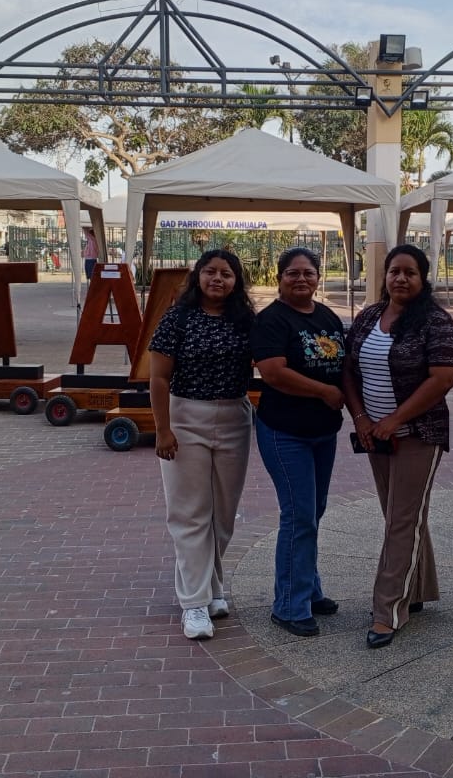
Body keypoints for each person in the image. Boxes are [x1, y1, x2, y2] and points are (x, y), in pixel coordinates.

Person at [342, 244, 453, 648]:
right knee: (401, 516)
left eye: (410, 272)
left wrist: (395, 419)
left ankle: (388, 611)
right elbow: (348, 369)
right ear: (385, 275)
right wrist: (361, 418)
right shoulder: (369, 316)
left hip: (418, 435)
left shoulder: (435, 321)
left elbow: (443, 378)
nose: (401, 278)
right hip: (376, 436)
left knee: (400, 520)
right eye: (395, 271)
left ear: (423, 278)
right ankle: (418, 589)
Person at [148, 249, 256, 641]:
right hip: (185, 417)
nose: (217, 279)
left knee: (223, 516)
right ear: (198, 277)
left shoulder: (246, 320)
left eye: (226, 273)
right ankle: (193, 603)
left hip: (234, 418)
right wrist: (163, 429)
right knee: (190, 513)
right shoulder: (178, 318)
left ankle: (212, 587)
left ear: (236, 281)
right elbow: (158, 378)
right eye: (210, 272)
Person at [251, 247, 346, 637]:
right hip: (285, 432)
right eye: (293, 273)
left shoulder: (327, 317)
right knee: (299, 514)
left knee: (313, 512)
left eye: (308, 272)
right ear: (280, 278)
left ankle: (308, 588)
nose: (301, 279)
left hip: (323, 433)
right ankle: (289, 604)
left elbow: (344, 364)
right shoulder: (271, 320)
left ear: (318, 277)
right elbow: (273, 372)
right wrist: (324, 391)